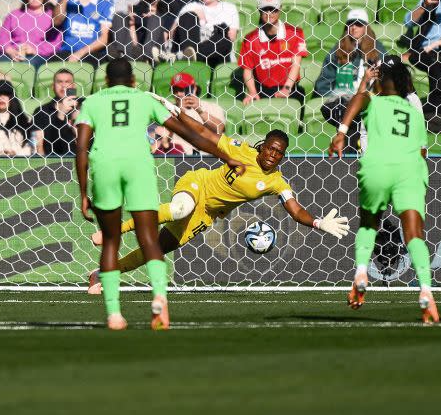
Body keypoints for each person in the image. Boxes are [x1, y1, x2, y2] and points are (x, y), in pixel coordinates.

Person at [86, 116, 349, 298]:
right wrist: (177, 114)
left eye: (279, 152)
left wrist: (318, 222)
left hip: (208, 213)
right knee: (179, 209)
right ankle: (115, 231)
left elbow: (295, 209)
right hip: (197, 184)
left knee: (154, 249)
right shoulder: (241, 150)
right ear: (262, 147)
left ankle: (103, 275)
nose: (273, 155)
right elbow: (205, 134)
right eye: (270, 148)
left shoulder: (276, 182)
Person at [74, 58, 245, 331]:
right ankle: (159, 298)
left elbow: (81, 146)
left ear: (105, 81)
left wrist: (83, 191)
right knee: (149, 238)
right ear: (133, 81)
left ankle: (114, 315)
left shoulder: (92, 103)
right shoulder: (144, 99)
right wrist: (226, 156)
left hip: (104, 166)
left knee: (110, 243)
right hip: (138, 167)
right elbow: (191, 135)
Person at [329, 58, 439, 324]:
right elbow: (422, 149)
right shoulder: (412, 109)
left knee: (368, 224)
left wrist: (341, 133)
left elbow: (357, 100)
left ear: (381, 79)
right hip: (408, 169)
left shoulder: (374, 100)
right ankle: (426, 290)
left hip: (377, 166)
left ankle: (361, 272)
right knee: (414, 234)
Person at [314, 9, 385, 151]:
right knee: (343, 108)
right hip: (343, 100)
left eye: (358, 24)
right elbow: (324, 81)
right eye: (350, 24)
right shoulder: (338, 49)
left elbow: (384, 78)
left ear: (366, 27)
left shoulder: (378, 49)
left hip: (368, 99)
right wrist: (335, 94)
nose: (354, 27)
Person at [237, 0, 308, 104]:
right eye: (265, 9)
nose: (269, 13)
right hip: (264, 90)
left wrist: (287, 89)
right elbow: (247, 69)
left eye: (273, 9)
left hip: (291, 89)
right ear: (259, 10)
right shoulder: (250, 39)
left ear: (280, 9)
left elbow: (296, 64)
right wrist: (252, 92)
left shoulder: (295, 33)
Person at [169, 0, 239, 68]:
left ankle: (192, 56)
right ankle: (190, 55)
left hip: (214, 56)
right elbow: (172, 33)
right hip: (190, 44)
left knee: (224, 37)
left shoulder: (229, 8)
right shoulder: (191, 6)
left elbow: (232, 37)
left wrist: (211, 25)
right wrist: (196, 15)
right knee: (188, 15)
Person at [52, 0, 113, 67]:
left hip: (93, 53)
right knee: (51, 68)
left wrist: (80, 53)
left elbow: (104, 39)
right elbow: (56, 21)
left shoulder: (105, 1)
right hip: (66, 51)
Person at [0, 0, 61, 70]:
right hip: (13, 53)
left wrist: (35, 50)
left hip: (39, 56)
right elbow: (3, 35)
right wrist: (9, 50)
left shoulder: (52, 16)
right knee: (0, 63)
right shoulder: (14, 15)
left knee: (27, 65)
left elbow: (55, 42)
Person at [164, 72, 226, 155]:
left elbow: (219, 129)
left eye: (182, 90)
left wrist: (199, 110)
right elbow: (164, 137)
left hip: (208, 156)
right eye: (175, 90)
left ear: (194, 89)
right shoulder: (168, 110)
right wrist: (180, 112)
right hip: (179, 155)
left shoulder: (212, 107)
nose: (178, 94)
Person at [33, 69, 79, 156]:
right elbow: (39, 143)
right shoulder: (42, 111)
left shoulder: (83, 105)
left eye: (67, 82)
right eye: (59, 82)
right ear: (53, 86)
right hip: (53, 160)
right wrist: (60, 114)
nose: (63, 85)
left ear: (73, 86)